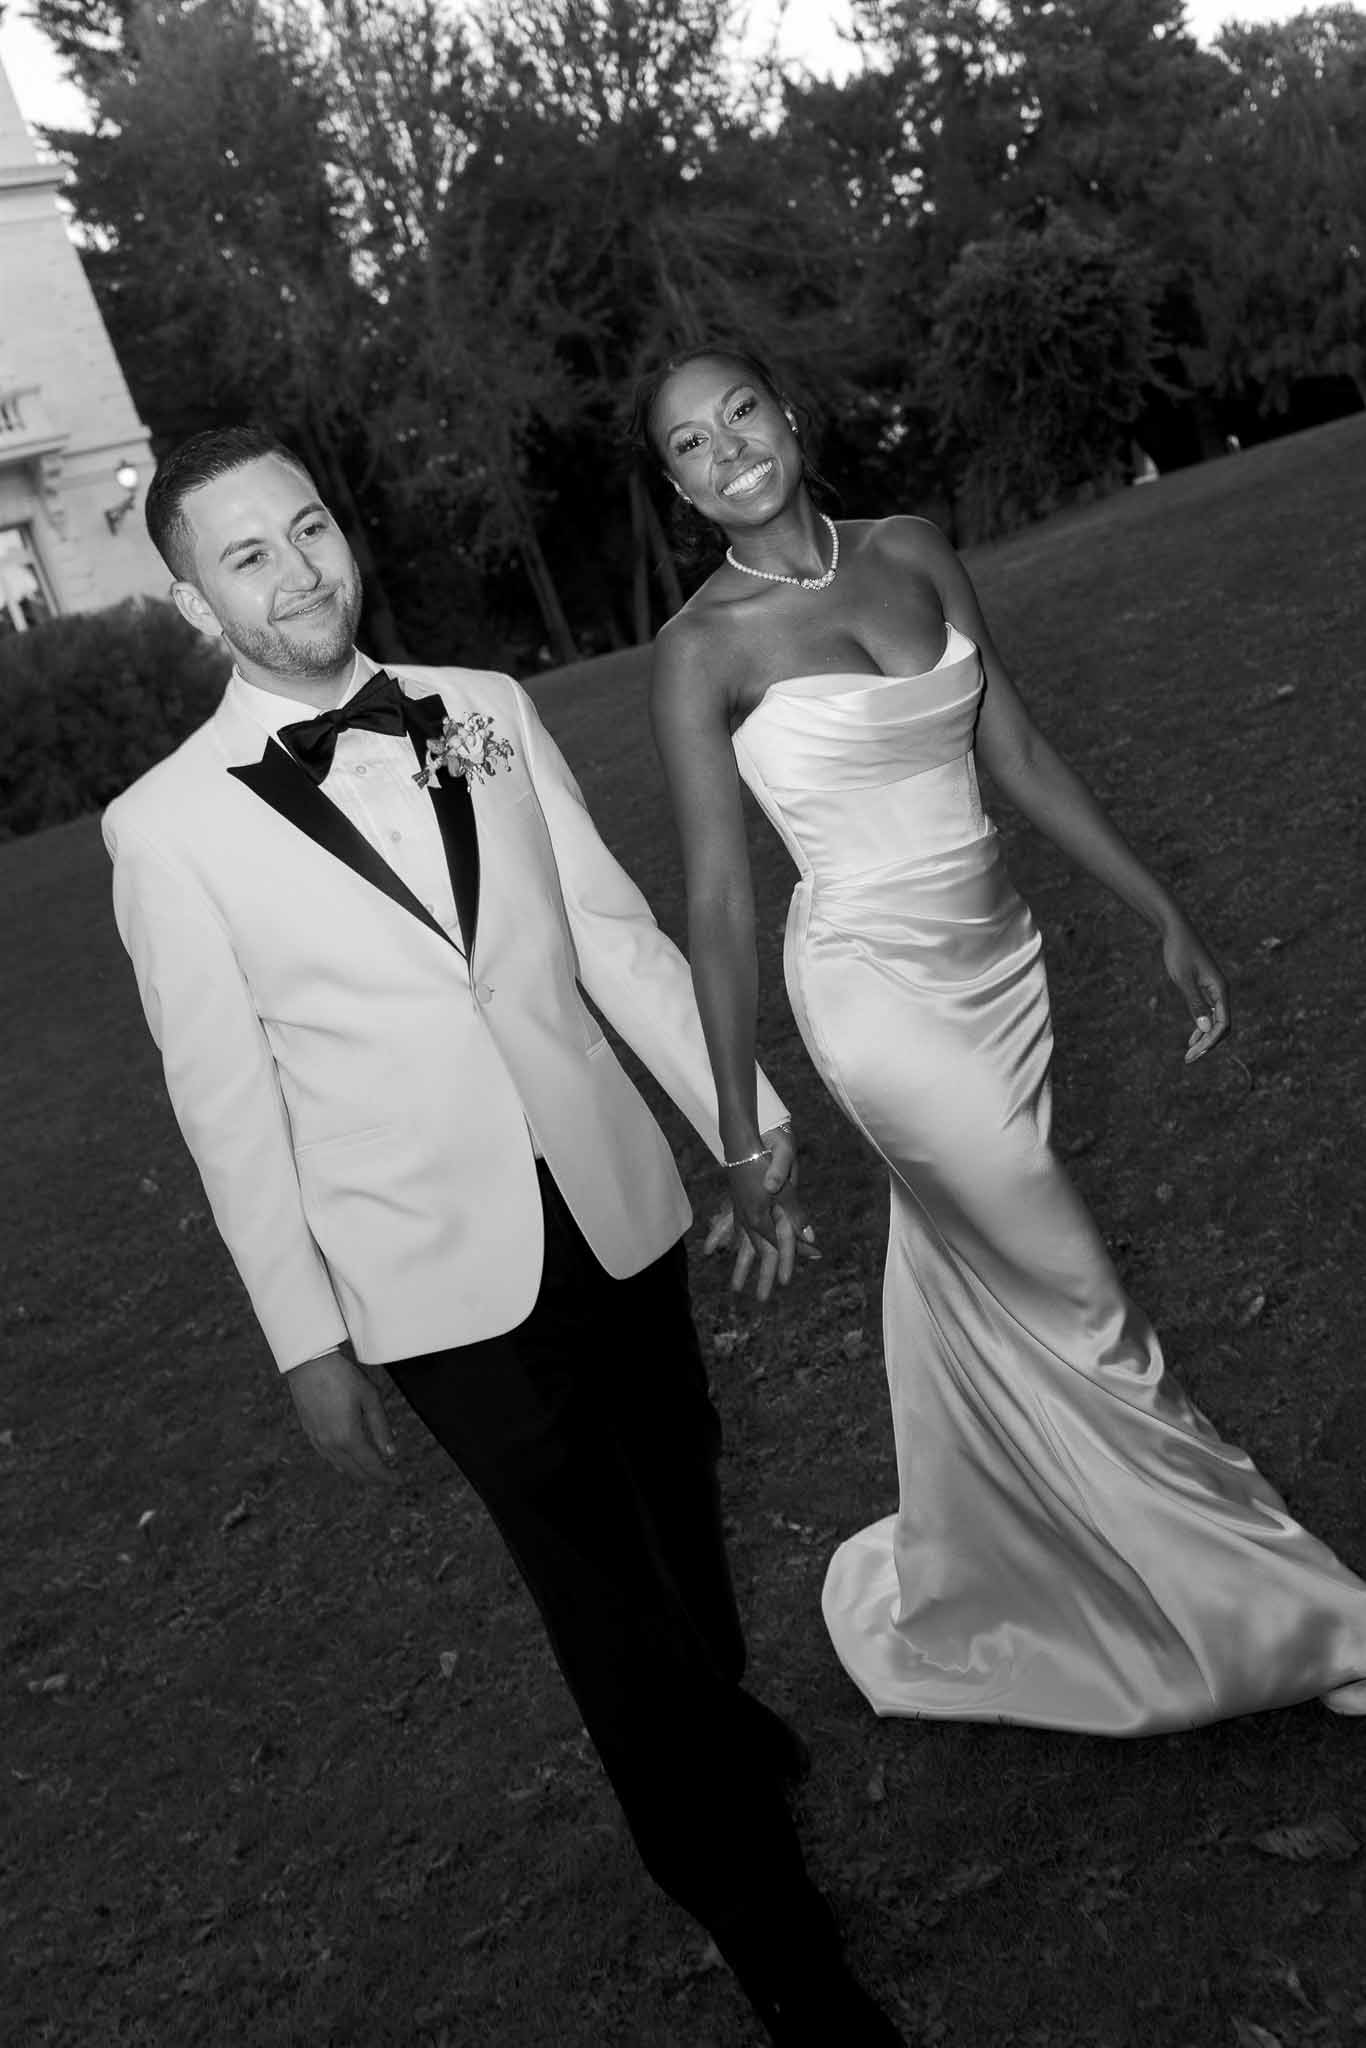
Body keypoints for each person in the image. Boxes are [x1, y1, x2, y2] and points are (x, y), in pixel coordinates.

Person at [102, 426, 907, 2047]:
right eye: (245, 556)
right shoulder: (163, 828)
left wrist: (740, 1126)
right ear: (194, 605)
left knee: (678, 1497)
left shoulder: (483, 707)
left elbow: (612, 940)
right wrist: (305, 1337)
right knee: (603, 1601)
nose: (296, 572)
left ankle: (711, 1716)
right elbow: (226, 1108)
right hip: (430, 1276)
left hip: (611, 1198)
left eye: (308, 528)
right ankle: (776, 1942)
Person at [640, 342, 1366, 1735]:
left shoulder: (910, 548)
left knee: (991, 1283)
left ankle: (1002, 1556)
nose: (726, 448)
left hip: (999, 963)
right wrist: (735, 1131)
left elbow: (1013, 749)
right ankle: (1297, 1618)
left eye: (739, 412)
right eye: (689, 444)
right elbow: (719, 902)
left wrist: (1156, 906)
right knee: (1079, 1294)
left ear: (788, 416)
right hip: (872, 992)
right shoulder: (700, 652)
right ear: (677, 489)